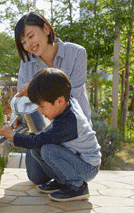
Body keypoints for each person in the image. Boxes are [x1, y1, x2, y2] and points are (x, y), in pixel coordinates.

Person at [12, 11, 92, 185]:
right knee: (36, 178)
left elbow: (71, 96)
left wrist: (34, 86)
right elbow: (23, 99)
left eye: (31, 36)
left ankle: (71, 174)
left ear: (46, 29)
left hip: (72, 130)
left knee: (64, 171)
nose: (29, 45)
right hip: (42, 130)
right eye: (23, 42)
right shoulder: (26, 63)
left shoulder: (77, 53)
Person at [0, 68, 101, 202]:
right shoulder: (66, 100)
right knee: (38, 149)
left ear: (59, 101)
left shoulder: (68, 123)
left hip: (88, 167)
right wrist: (32, 88)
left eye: (41, 106)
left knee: (47, 149)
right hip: (76, 160)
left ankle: (77, 186)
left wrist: (11, 135)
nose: (40, 111)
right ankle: (63, 180)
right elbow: (62, 86)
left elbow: (37, 140)